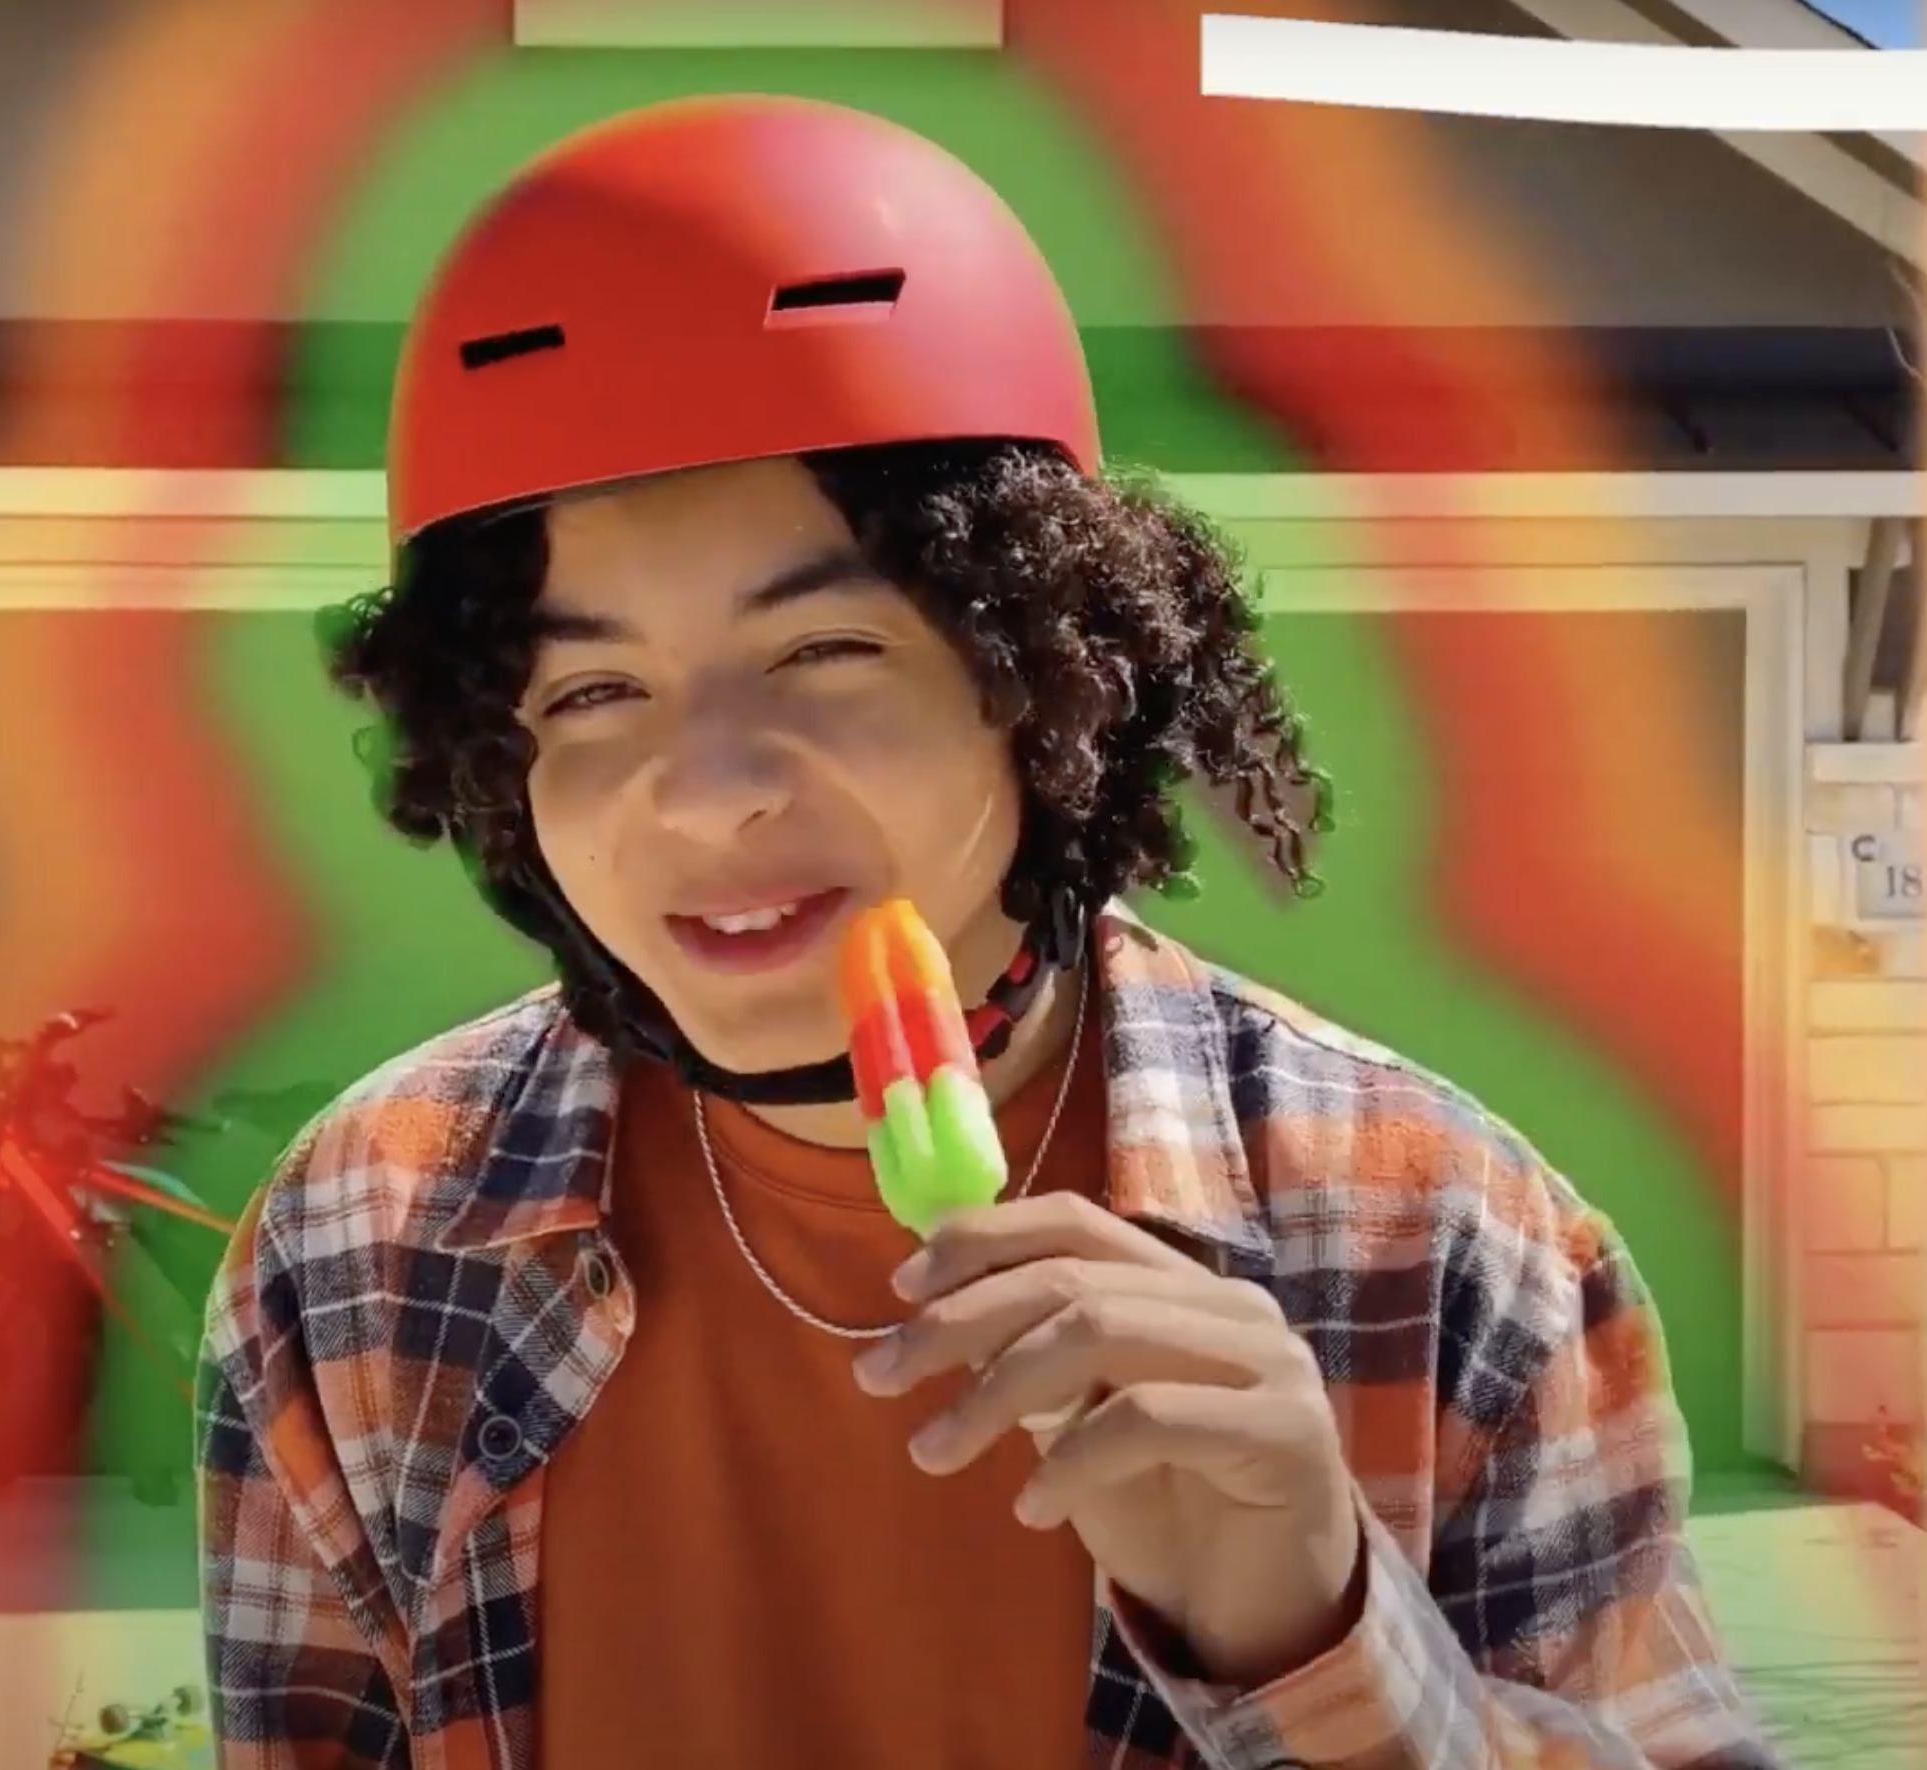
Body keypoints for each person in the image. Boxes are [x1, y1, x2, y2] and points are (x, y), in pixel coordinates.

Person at [197, 95, 1781, 1770]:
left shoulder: (1447, 1242)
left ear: (1037, 676)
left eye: (823, 654)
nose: (707, 791)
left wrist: (1320, 1639)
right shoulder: (354, 1242)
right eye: (590, 689)